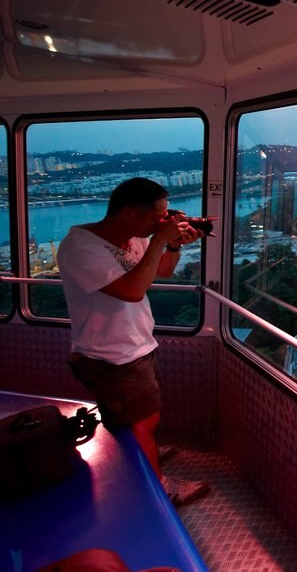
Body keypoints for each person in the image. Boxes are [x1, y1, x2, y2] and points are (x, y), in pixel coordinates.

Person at [57, 177, 209, 507]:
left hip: (136, 344)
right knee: (142, 421)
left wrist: (173, 244)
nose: (162, 222)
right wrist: (158, 241)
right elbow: (131, 291)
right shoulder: (81, 247)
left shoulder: (135, 236)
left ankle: (144, 454)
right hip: (110, 354)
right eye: (158, 217)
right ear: (128, 213)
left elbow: (163, 272)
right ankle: (158, 490)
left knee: (141, 418)